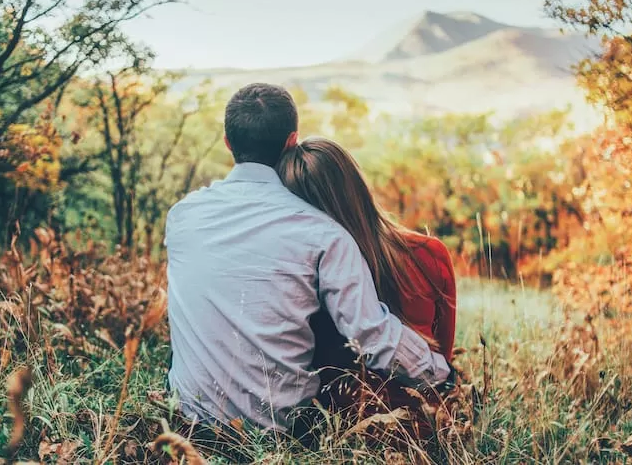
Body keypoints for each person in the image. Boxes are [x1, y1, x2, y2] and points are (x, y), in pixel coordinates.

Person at [165, 83, 454, 444]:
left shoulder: (181, 217)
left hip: (190, 425)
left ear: (227, 142)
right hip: (278, 434)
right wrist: (443, 375)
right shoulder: (324, 234)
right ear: (292, 141)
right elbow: (370, 335)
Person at [276, 137, 457, 427]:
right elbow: (443, 356)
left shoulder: (304, 274)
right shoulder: (429, 254)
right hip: (428, 421)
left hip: (345, 430)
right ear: (356, 187)